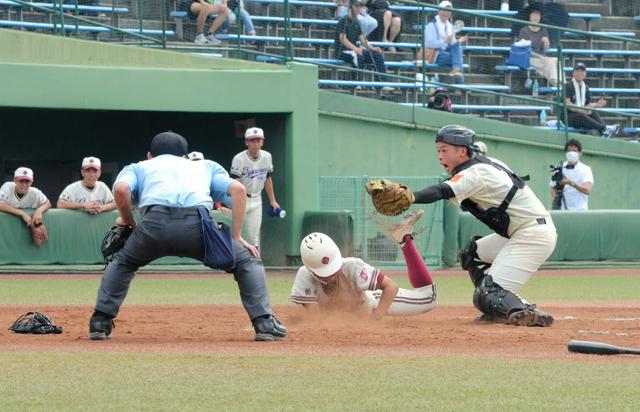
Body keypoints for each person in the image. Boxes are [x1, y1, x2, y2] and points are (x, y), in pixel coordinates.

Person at [88, 131, 286, 342]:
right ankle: (263, 322)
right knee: (248, 260)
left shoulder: (139, 166)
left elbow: (121, 189)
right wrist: (236, 236)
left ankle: (100, 321)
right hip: (197, 227)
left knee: (123, 262)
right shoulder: (204, 165)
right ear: (185, 156)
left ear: (149, 156)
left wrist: (129, 221)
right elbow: (238, 189)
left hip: (153, 227)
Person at [387, 125, 557, 327]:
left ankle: (524, 311)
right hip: (521, 233)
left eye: (444, 150)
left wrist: (411, 197)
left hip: (533, 235)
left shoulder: (476, 173)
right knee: (472, 254)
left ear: (462, 151)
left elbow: (442, 190)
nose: (440, 156)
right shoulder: (479, 167)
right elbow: (448, 189)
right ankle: (494, 307)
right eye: (438, 151)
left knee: (488, 291)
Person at [291, 210, 436, 319]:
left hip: (372, 301)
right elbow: (317, 318)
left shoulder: (352, 266)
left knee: (429, 299)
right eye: (326, 274)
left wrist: (377, 316)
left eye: (334, 269)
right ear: (311, 270)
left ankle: (405, 239)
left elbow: (391, 287)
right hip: (354, 316)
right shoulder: (304, 276)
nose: (333, 276)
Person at [230, 127, 281, 250]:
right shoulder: (239, 159)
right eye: (252, 140)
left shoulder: (267, 156)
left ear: (263, 141)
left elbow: (267, 178)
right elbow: (233, 182)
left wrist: (273, 200)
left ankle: (255, 265)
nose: (256, 143)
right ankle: (235, 263)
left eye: (259, 140)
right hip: (241, 198)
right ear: (246, 142)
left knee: (254, 237)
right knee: (237, 234)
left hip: (257, 198)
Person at [333, 1, 392, 89]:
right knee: (357, 55)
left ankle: (382, 83)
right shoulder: (343, 21)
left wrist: (373, 48)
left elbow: (363, 40)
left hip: (353, 50)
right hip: (342, 52)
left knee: (377, 56)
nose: (358, 9)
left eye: (360, 7)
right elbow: (343, 39)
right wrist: (355, 48)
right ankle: (357, 83)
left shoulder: (357, 22)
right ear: (351, 7)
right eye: (356, 6)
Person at [416, 1, 467, 84]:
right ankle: (460, 83)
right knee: (458, 59)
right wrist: (444, 41)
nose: (446, 13)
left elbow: (452, 44)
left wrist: (458, 41)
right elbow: (429, 44)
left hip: (446, 52)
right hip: (434, 54)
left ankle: (456, 71)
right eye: (444, 10)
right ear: (439, 11)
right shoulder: (432, 25)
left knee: (457, 46)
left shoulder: (450, 26)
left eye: (448, 11)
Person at [566, 63, 620, 138]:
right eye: (577, 70)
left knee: (592, 111)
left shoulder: (586, 88)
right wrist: (581, 110)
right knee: (581, 115)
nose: (580, 73)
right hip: (568, 116)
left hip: (580, 115)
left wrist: (596, 105)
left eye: (582, 71)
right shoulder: (568, 85)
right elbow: (567, 104)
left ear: (585, 74)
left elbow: (587, 105)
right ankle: (604, 129)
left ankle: (605, 131)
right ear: (573, 73)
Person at [518, 6, 558, 87]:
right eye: (534, 15)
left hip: (541, 59)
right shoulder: (524, 31)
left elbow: (546, 48)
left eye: (538, 15)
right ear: (529, 17)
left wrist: (546, 42)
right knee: (551, 62)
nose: (536, 17)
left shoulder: (543, 30)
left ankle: (557, 83)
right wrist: (541, 57)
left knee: (556, 60)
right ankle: (557, 84)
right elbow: (526, 50)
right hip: (529, 58)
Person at [549, 139, 593, 211]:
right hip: (561, 209)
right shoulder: (560, 168)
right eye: (569, 151)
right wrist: (554, 198)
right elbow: (552, 186)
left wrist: (570, 182)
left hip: (579, 210)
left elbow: (587, 190)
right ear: (565, 152)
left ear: (580, 153)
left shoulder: (586, 169)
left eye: (574, 151)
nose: (571, 153)